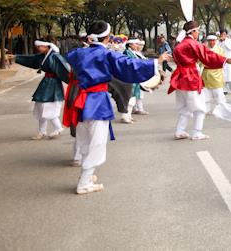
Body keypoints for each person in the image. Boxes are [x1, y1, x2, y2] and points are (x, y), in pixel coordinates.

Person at [63, 21, 169, 195]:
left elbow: (70, 56)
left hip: (80, 101)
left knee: (84, 138)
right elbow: (129, 65)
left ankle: (88, 177)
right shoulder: (106, 55)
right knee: (97, 142)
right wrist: (156, 61)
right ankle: (84, 182)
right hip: (97, 101)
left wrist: (88, 46)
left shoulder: (78, 53)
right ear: (107, 37)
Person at [169, 21, 229, 140]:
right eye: (198, 31)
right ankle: (196, 133)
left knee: (184, 107)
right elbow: (207, 55)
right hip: (191, 77)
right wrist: (224, 60)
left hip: (180, 78)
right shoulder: (193, 44)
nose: (199, 33)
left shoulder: (179, 45)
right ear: (193, 31)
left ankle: (180, 131)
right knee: (200, 108)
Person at [15, 36, 70, 139]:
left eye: (40, 46)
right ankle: (42, 131)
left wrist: (74, 82)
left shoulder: (55, 57)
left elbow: (66, 70)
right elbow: (31, 60)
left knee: (48, 107)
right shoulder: (42, 56)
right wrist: (15, 58)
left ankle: (58, 128)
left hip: (53, 84)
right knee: (40, 107)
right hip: (45, 83)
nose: (38, 47)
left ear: (47, 46)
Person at [122, 38, 149, 120]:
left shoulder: (132, 52)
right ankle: (125, 115)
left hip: (134, 77)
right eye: (135, 44)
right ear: (130, 44)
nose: (137, 46)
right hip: (130, 77)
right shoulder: (127, 53)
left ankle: (128, 115)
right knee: (130, 96)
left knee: (133, 96)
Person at [201, 34, 227, 114]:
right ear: (207, 41)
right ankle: (206, 109)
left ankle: (220, 109)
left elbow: (223, 61)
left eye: (213, 41)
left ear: (215, 41)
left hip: (217, 74)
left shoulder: (220, 50)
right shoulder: (204, 50)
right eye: (210, 41)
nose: (212, 42)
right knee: (206, 93)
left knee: (218, 93)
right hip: (207, 74)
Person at [219, 29, 231, 94]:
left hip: (229, 58)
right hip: (222, 59)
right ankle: (224, 89)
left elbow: (230, 48)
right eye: (222, 34)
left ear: (226, 34)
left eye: (224, 34)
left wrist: (224, 41)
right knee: (223, 74)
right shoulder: (218, 41)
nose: (223, 35)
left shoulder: (230, 41)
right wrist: (221, 42)